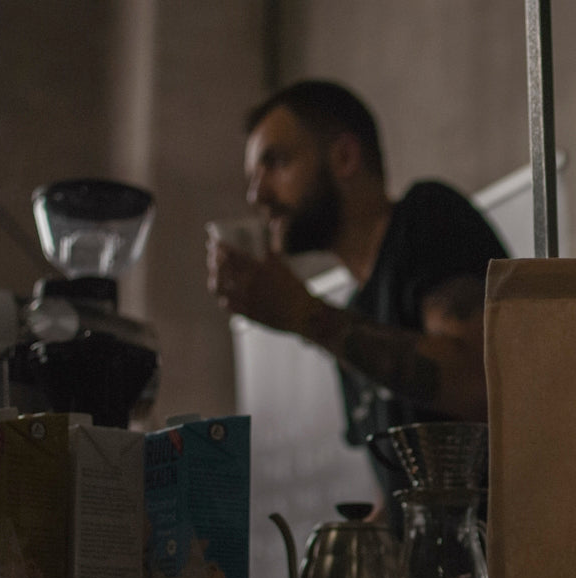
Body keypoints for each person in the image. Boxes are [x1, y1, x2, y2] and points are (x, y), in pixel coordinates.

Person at [206, 80, 508, 524]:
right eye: (253, 178)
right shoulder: (353, 311)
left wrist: (304, 316)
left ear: (344, 157)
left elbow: (483, 381)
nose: (258, 196)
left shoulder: (426, 217)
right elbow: (406, 487)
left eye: (276, 163)